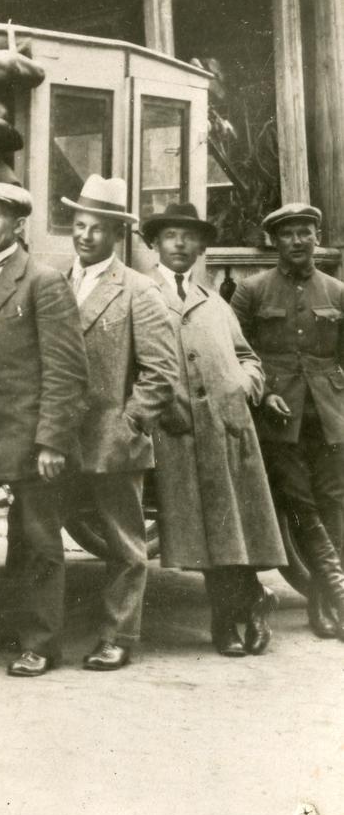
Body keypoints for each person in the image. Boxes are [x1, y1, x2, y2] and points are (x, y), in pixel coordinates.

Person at [0, 182, 88, 677]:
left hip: (30, 438)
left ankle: (41, 643)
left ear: (19, 224)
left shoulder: (43, 281)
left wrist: (52, 440)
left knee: (37, 544)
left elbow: (67, 370)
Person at [143, 202, 289, 656]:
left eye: (189, 236)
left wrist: (245, 383)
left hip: (225, 427)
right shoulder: (141, 294)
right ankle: (249, 603)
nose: (180, 243)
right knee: (203, 531)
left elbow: (247, 356)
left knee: (228, 526)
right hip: (175, 429)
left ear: (202, 246)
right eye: (171, 235)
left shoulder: (215, 302)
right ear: (155, 243)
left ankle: (227, 622)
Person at [59, 175, 180, 670]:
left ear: (116, 234)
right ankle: (37, 635)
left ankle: (118, 636)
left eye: (98, 228)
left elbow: (161, 373)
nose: (85, 235)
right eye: (79, 225)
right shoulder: (55, 282)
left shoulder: (138, 289)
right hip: (57, 437)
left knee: (125, 545)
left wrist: (128, 426)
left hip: (112, 437)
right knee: (38, 536)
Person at [229, 202, 344, 641]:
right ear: (274, 241)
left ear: (317, 238)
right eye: (287, 234)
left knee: (333, 502)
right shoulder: (252, 291)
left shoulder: (336, 291)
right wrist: (265, 394)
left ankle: (323, 600)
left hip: (328, 416)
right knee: (299, 504)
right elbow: (237, 354)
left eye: (304, 232)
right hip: (279, 418)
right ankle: (332, 595)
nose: (297, 241)